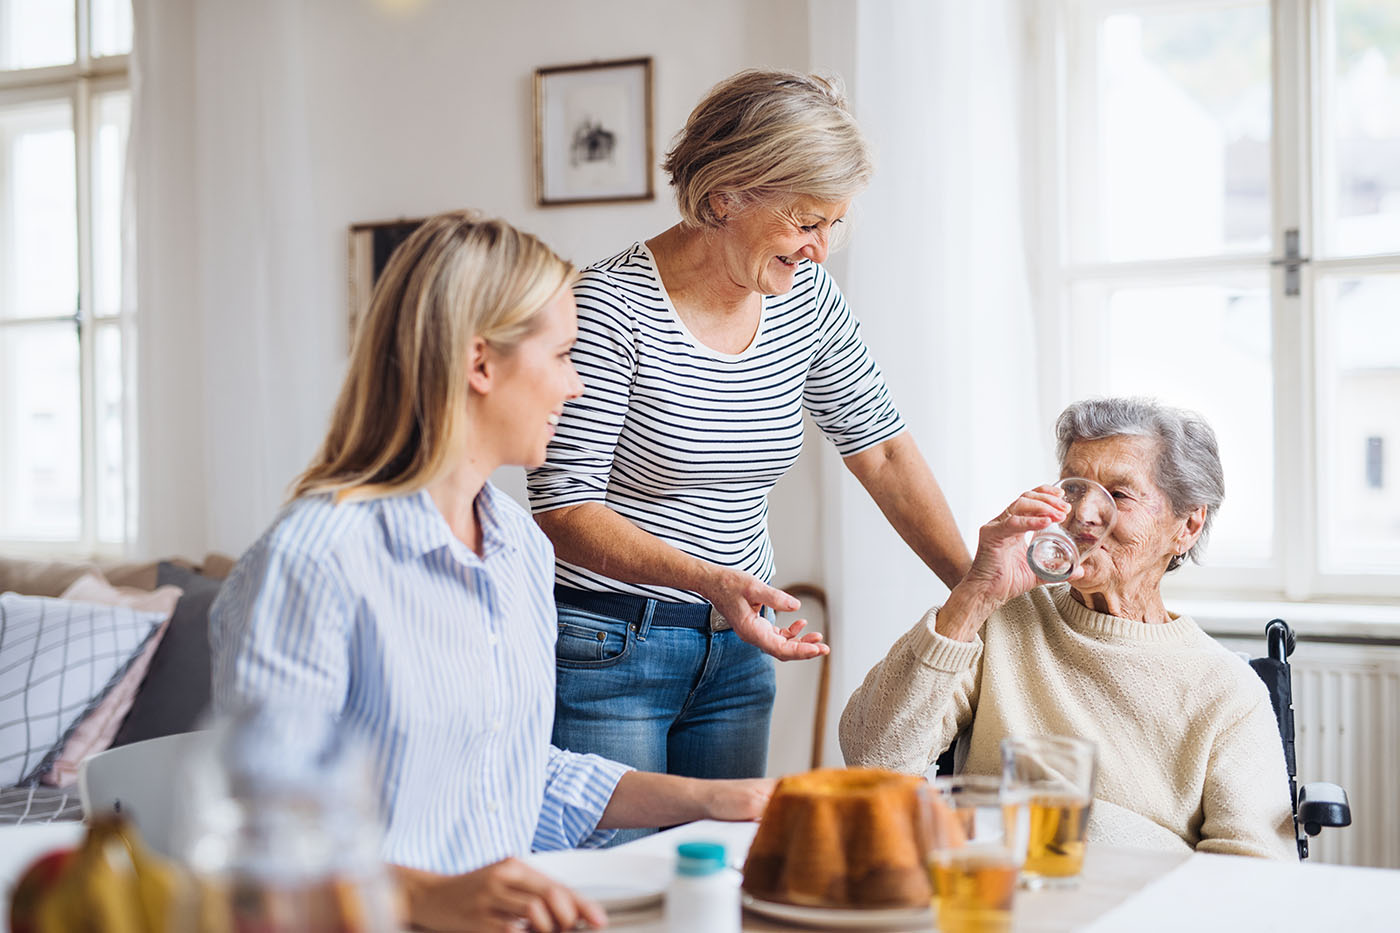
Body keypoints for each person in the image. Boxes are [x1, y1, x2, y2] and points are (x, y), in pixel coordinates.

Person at [210, 211, 775, 933]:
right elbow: (263, 854)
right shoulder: (313, 560)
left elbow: (512, 777)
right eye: (564, 355)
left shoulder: (517, 546)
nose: (574, 387)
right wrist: (423, 897)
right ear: (481, 363)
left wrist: (710, 799)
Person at [526, 69, 972, 787]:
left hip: (737, 649)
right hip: (609, 644)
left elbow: (883, 450)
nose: (822, 248)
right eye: (806, 221)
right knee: (623, 886)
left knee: (726, 875)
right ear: (724, 194)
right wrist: (710, 581)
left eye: (835, 223)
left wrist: (972, 590)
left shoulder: (808, 300)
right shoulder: (608, 306)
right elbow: (563, 506)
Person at [839, 397, 1295, 858]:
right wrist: (974, 595)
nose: (1083, 515)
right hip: (994, 893)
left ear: (1188, 525)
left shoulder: (1227, 692)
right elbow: (873, 761)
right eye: (1075, 490)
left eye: (1118, 495)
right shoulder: (1001, 617)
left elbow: (1252, 872)